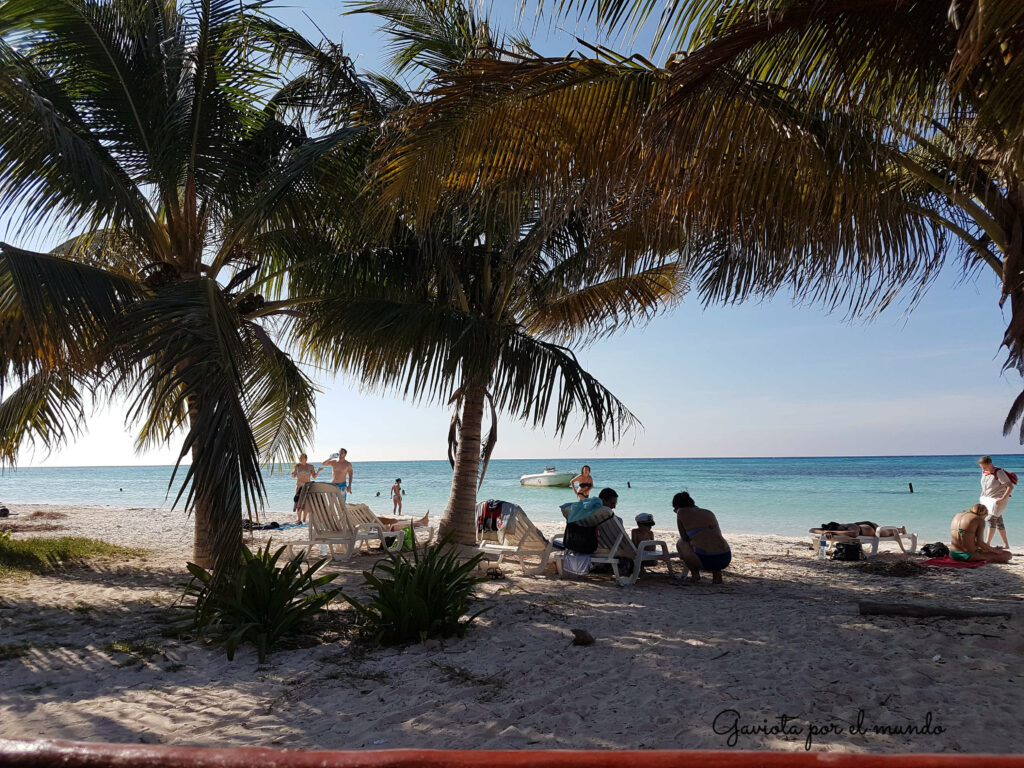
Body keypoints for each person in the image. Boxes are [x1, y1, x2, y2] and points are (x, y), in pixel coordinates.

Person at [674, 491, 731, 584]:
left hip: (706, 560)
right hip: (725, 556)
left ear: (676, 506)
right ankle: (717, 575)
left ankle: (695, 575)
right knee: (710, 541)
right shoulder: (708, 512)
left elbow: (684, 537)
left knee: (680, 543)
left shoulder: (681, 512)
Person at [978, 456, 1012, 549]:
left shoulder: (999, 472)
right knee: (999, 521)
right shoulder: (984, 473)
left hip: (998, 501)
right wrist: (982, 497)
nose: (983, 469)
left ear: (990, 464)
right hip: (988, 501)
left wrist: (1003, 499)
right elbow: (984, 487)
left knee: (990, 519)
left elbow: (1010, 486)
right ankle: (1006, 545)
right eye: (981, 467)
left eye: (984, 467)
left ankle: (987, 544)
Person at [290, 453, 319, 522]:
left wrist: (318, 471)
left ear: (306, 458)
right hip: (299, 487)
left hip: (307, 487)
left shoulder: (311, 466)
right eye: (299, 458)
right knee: (298, 503)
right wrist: (292, 474)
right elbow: (294, 476)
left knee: (306, 504)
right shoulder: (297, 466)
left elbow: (314, 476)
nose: (300, 459)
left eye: (301, 457)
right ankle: (299, 519)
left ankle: (304, 519)